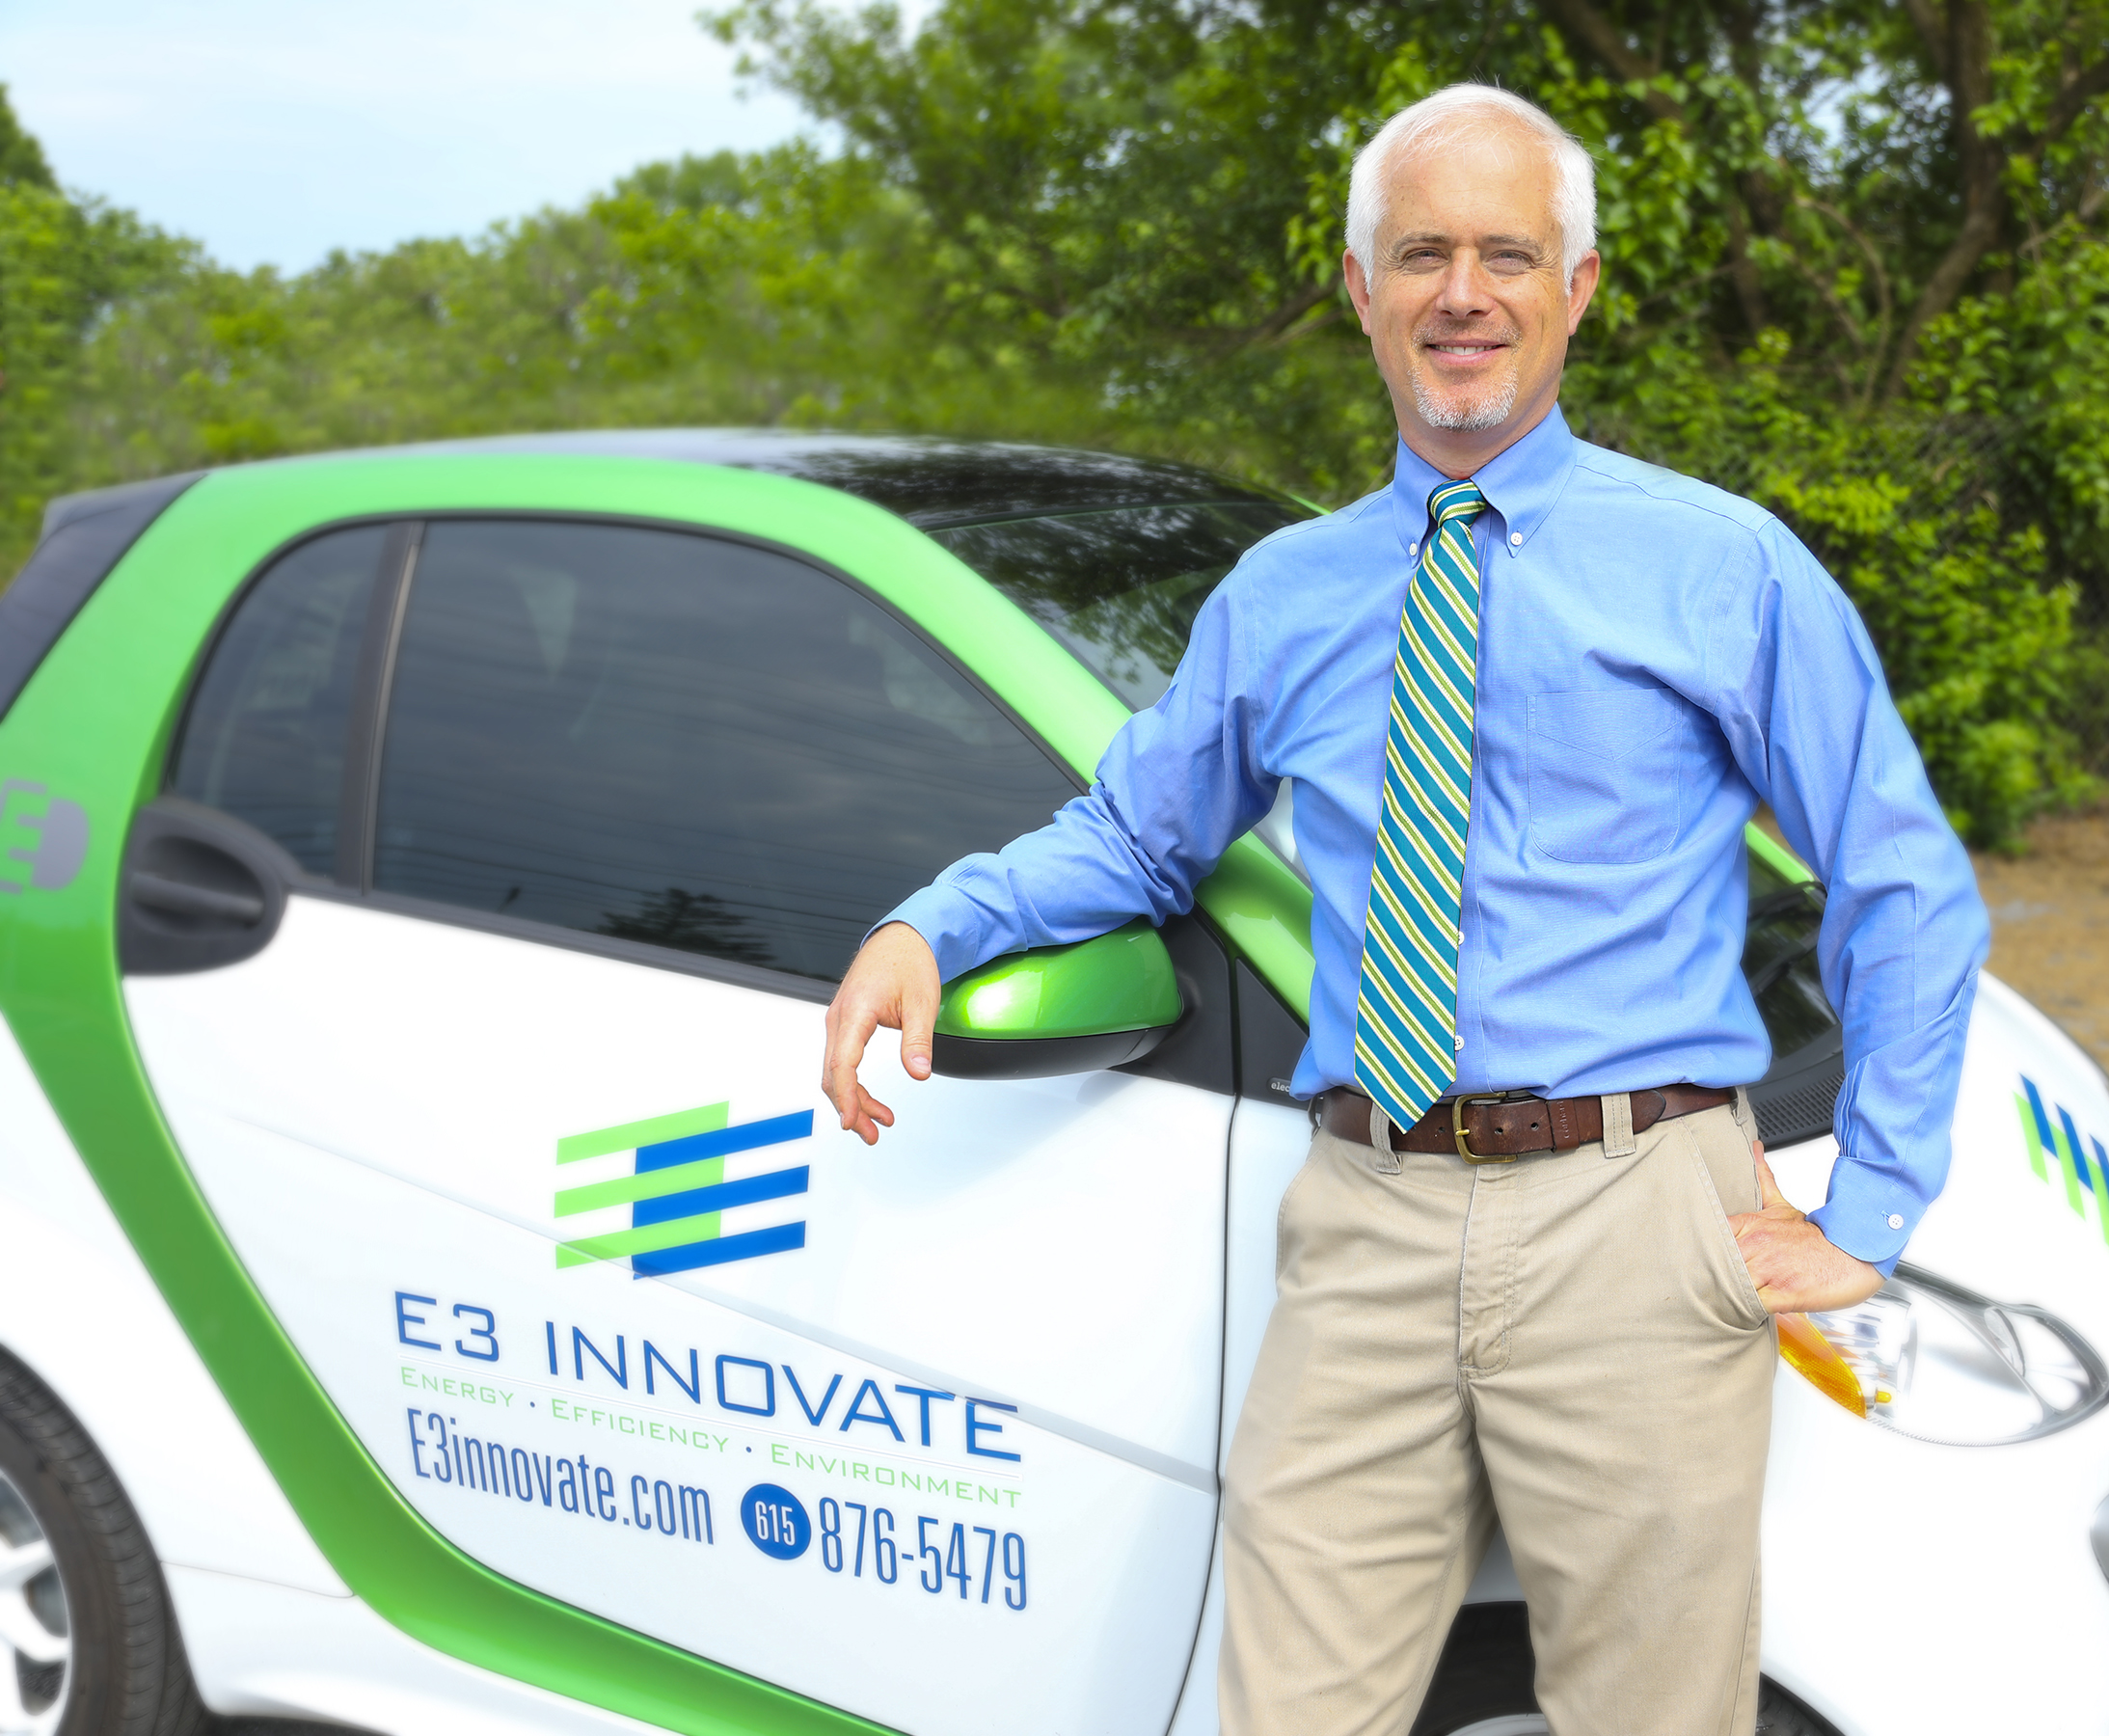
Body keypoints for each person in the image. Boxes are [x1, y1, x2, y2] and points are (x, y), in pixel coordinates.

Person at [821, 82, 1988, 1736]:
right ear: (1362, 289)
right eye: (1420, 253)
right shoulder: (1286, 592)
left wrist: (1870, 1203)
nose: (1463, 292)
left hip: (1637, 1209)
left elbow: (1897, 877)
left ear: (1575, 290)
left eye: (1508, 253)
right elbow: (1144, 836)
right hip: (1366, 1217)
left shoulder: (1722, 566)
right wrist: (931, 929)